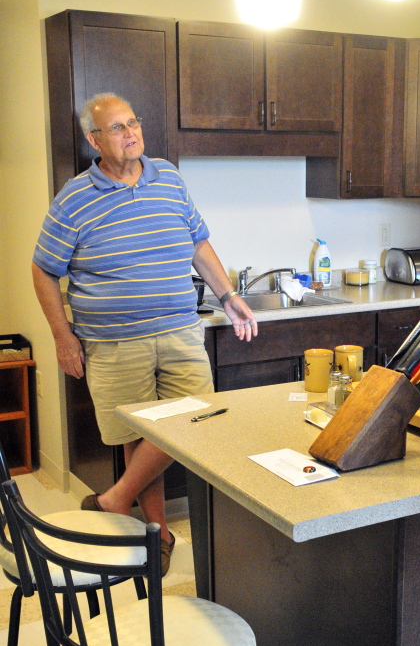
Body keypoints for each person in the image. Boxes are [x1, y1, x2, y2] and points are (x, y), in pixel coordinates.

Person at [32, 92, 257, 574]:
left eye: (133, 122)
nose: (130, 132)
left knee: (196, 416)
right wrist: (62, 337)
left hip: (178, 330)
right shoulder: (75, 197)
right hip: (113, 341)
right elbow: (43, 269)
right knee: (139, 437)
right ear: (94, 139)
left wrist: (229, 295)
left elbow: (198, 241)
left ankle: (115, 499)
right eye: (116, 127)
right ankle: (159, 534)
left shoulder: (169, 178)